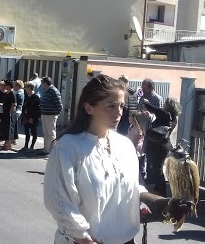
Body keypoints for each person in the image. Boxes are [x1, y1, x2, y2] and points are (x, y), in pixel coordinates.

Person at [43, 75, 192, 244]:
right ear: (89, 108)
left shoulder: (125, 145)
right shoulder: (68, 147)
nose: (119, 112)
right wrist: (83, 238)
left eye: (121, 105)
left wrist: (160, 203)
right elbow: (59, 201)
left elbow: (131, 187)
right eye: (111, 106)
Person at [143, 98, 181, 197]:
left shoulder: (163, 113)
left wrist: (145, 100)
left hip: (156, 145)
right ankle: (157, 188)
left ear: (167, 105)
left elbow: (149, 106)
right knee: (157, 168)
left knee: (157, 169)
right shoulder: (174, 118)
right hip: (164, 145)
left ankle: (162, 192)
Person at [37, 76, 62, 156]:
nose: (41, 84)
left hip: (51, 115)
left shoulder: (53, 91)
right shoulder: (46, 91)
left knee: (50, 133)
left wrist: (56, 113)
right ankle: (46, 149)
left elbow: (59, 105)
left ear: (45, 83)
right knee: (46, 133)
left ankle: (50, 150)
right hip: (45, 114)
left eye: (42, 82)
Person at [20, 81, 41, 152]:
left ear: (30, 88)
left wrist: (33, 118)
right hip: (26, 116)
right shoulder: (26, 96)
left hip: (32, 117)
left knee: (33, 131)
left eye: (26, 87)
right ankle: (26, 146)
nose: (25, 89)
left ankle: (32, 147)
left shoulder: (36, 97)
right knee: (26, 132)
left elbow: (37, 109)